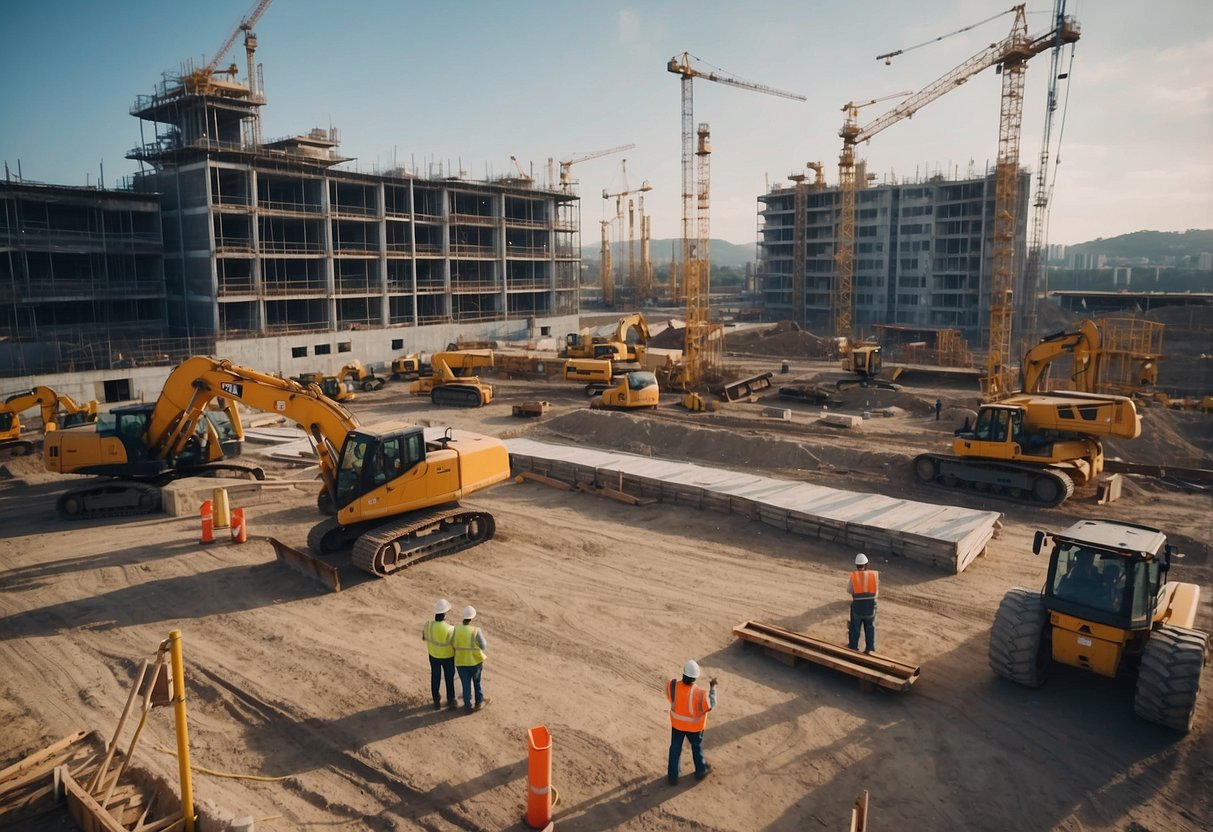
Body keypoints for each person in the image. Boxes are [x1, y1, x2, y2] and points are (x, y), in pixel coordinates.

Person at [666, 660, 717, 786]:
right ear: (695, 678)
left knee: (675, 748)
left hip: (677, 725)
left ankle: (673, 777)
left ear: (683, 674)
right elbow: (711, 704)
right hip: (694, 728)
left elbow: (670, 697)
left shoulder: (672, 686)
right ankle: (700, 770)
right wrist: (713, 688)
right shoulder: (700, 694)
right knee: (696, 747)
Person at [452, 605, 488, 713]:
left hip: (461, 662)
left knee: (465, 685)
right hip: (475, 662)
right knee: (477, 682)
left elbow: (451, 643)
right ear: (471, 618)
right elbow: (483, 646)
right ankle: (478, 703)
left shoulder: (455, 629)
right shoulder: (475, 630)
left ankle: (467, 707)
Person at [423, 598, 456, 711]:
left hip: (433, 656)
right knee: (449, 678)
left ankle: (436, 701)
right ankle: (451, 701)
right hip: (448, 657)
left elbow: (424, 637)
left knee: (435, 677)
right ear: (445, 614)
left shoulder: (428, 625)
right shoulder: (450, 629)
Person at [847, 553, 879, 653]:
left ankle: (853, 647)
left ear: (856, 565)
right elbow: (876, 592)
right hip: (870, 608)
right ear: (866, 565)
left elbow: (849, 590)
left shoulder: (854, 577)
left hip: (857, 608)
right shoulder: (873, 575)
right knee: (870, 628)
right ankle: (869, 648)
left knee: (855, 627)